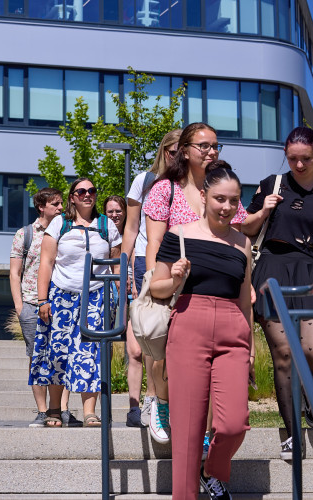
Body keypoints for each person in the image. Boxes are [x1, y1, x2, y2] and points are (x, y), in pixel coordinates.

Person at [242, 126, 313, 459]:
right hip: (272, 271)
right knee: (285, 354)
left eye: (305, 158)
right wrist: (263, 210)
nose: (299, 165)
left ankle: (304, 397)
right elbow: (245, 229)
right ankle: (292, 433)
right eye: (292, 158)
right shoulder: (272, 185)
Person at [150, 160, 252, 500]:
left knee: (234, 424)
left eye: (234, 200)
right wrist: (176, 277)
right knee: (188, 431)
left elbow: (244, 300)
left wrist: (249, 348)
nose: (226, 207)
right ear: (205, 196)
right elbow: (157, 290)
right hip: (188, 325)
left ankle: (213, 469)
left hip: (233, 331)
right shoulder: (178, 236)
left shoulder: (243, 244)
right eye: (220, 199)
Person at [142, 123, 248, 444]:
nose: (211, 151)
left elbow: (238, 238)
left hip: (217, 292)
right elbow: (154, 242)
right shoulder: (165, 189)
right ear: (185, 151)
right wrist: (155, 285)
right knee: (164, 357)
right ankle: (161, 403)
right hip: (176, 286)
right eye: (203, 146)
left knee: (213, 371)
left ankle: (204, 433)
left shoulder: (224, 188)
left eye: (216, 145)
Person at [29, 178, 122, 427]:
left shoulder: (107, 226)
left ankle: (89, 412)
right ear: (72, 197)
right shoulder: (60, 223)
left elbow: (116, 267)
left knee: (89, 354)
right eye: (81, 191)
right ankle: (55, 410)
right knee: (57, 351)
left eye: (92, 191)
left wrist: (121, 301)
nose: (87, 195)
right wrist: (42, 300)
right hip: (62, 295)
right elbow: (46, 263)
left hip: (96, 296)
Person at [122, 129, 181, 429]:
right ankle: (151, 399)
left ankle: (161, 398)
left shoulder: (191, 184)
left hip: (181, 260)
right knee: (152, 332)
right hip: (148, 259)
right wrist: (125, 268)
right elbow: (131, 228)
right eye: (172, 151)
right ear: (163, 151)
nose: (178, 157)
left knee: (172, 334)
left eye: (183, 151)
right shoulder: (145, 181)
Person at [10, 188, 82, 427]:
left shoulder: (67, 229)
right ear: (41, 207)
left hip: (61, 300)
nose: (61, 208)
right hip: (32, 302)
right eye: (55, 204)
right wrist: (20, 306)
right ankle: (42, 411)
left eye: (62, 203)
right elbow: (14, 273)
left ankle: (61, 409)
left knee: (62, 355)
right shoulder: (25, 234)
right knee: (37, 357)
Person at [103, 194, 142, 427]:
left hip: (133, 296)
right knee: (104, 352)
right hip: (109, 297)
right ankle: (103, 408)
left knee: (135, 351)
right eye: (110, 211)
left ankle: (135, 409)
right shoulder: (103, 235)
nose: (115, 215)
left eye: (119, 211)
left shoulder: (133, 236)